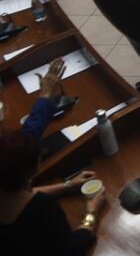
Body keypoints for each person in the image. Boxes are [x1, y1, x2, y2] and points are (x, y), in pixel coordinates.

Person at [0, 59, 108, 255]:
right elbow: (71, 250)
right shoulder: (42, 209)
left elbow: (16, 197)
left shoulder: (10, 192)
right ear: (33, 169)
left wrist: (67, 186)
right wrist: (91, 212)